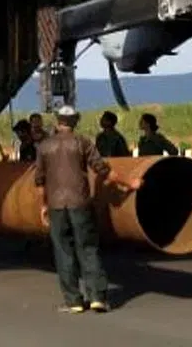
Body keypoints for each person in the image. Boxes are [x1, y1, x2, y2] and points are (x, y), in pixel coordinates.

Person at [34, 105, 142, 314]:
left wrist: (44, 206)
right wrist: (130, 183)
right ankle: (97, 297)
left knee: (63, 251)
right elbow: (103, 170)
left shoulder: (45, 146)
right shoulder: (82, 142)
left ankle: (73, 300)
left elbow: (39, 180)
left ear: (58, 121)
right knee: (88, 249)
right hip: (80, 203)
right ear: (75, 121)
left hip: (57, 205)